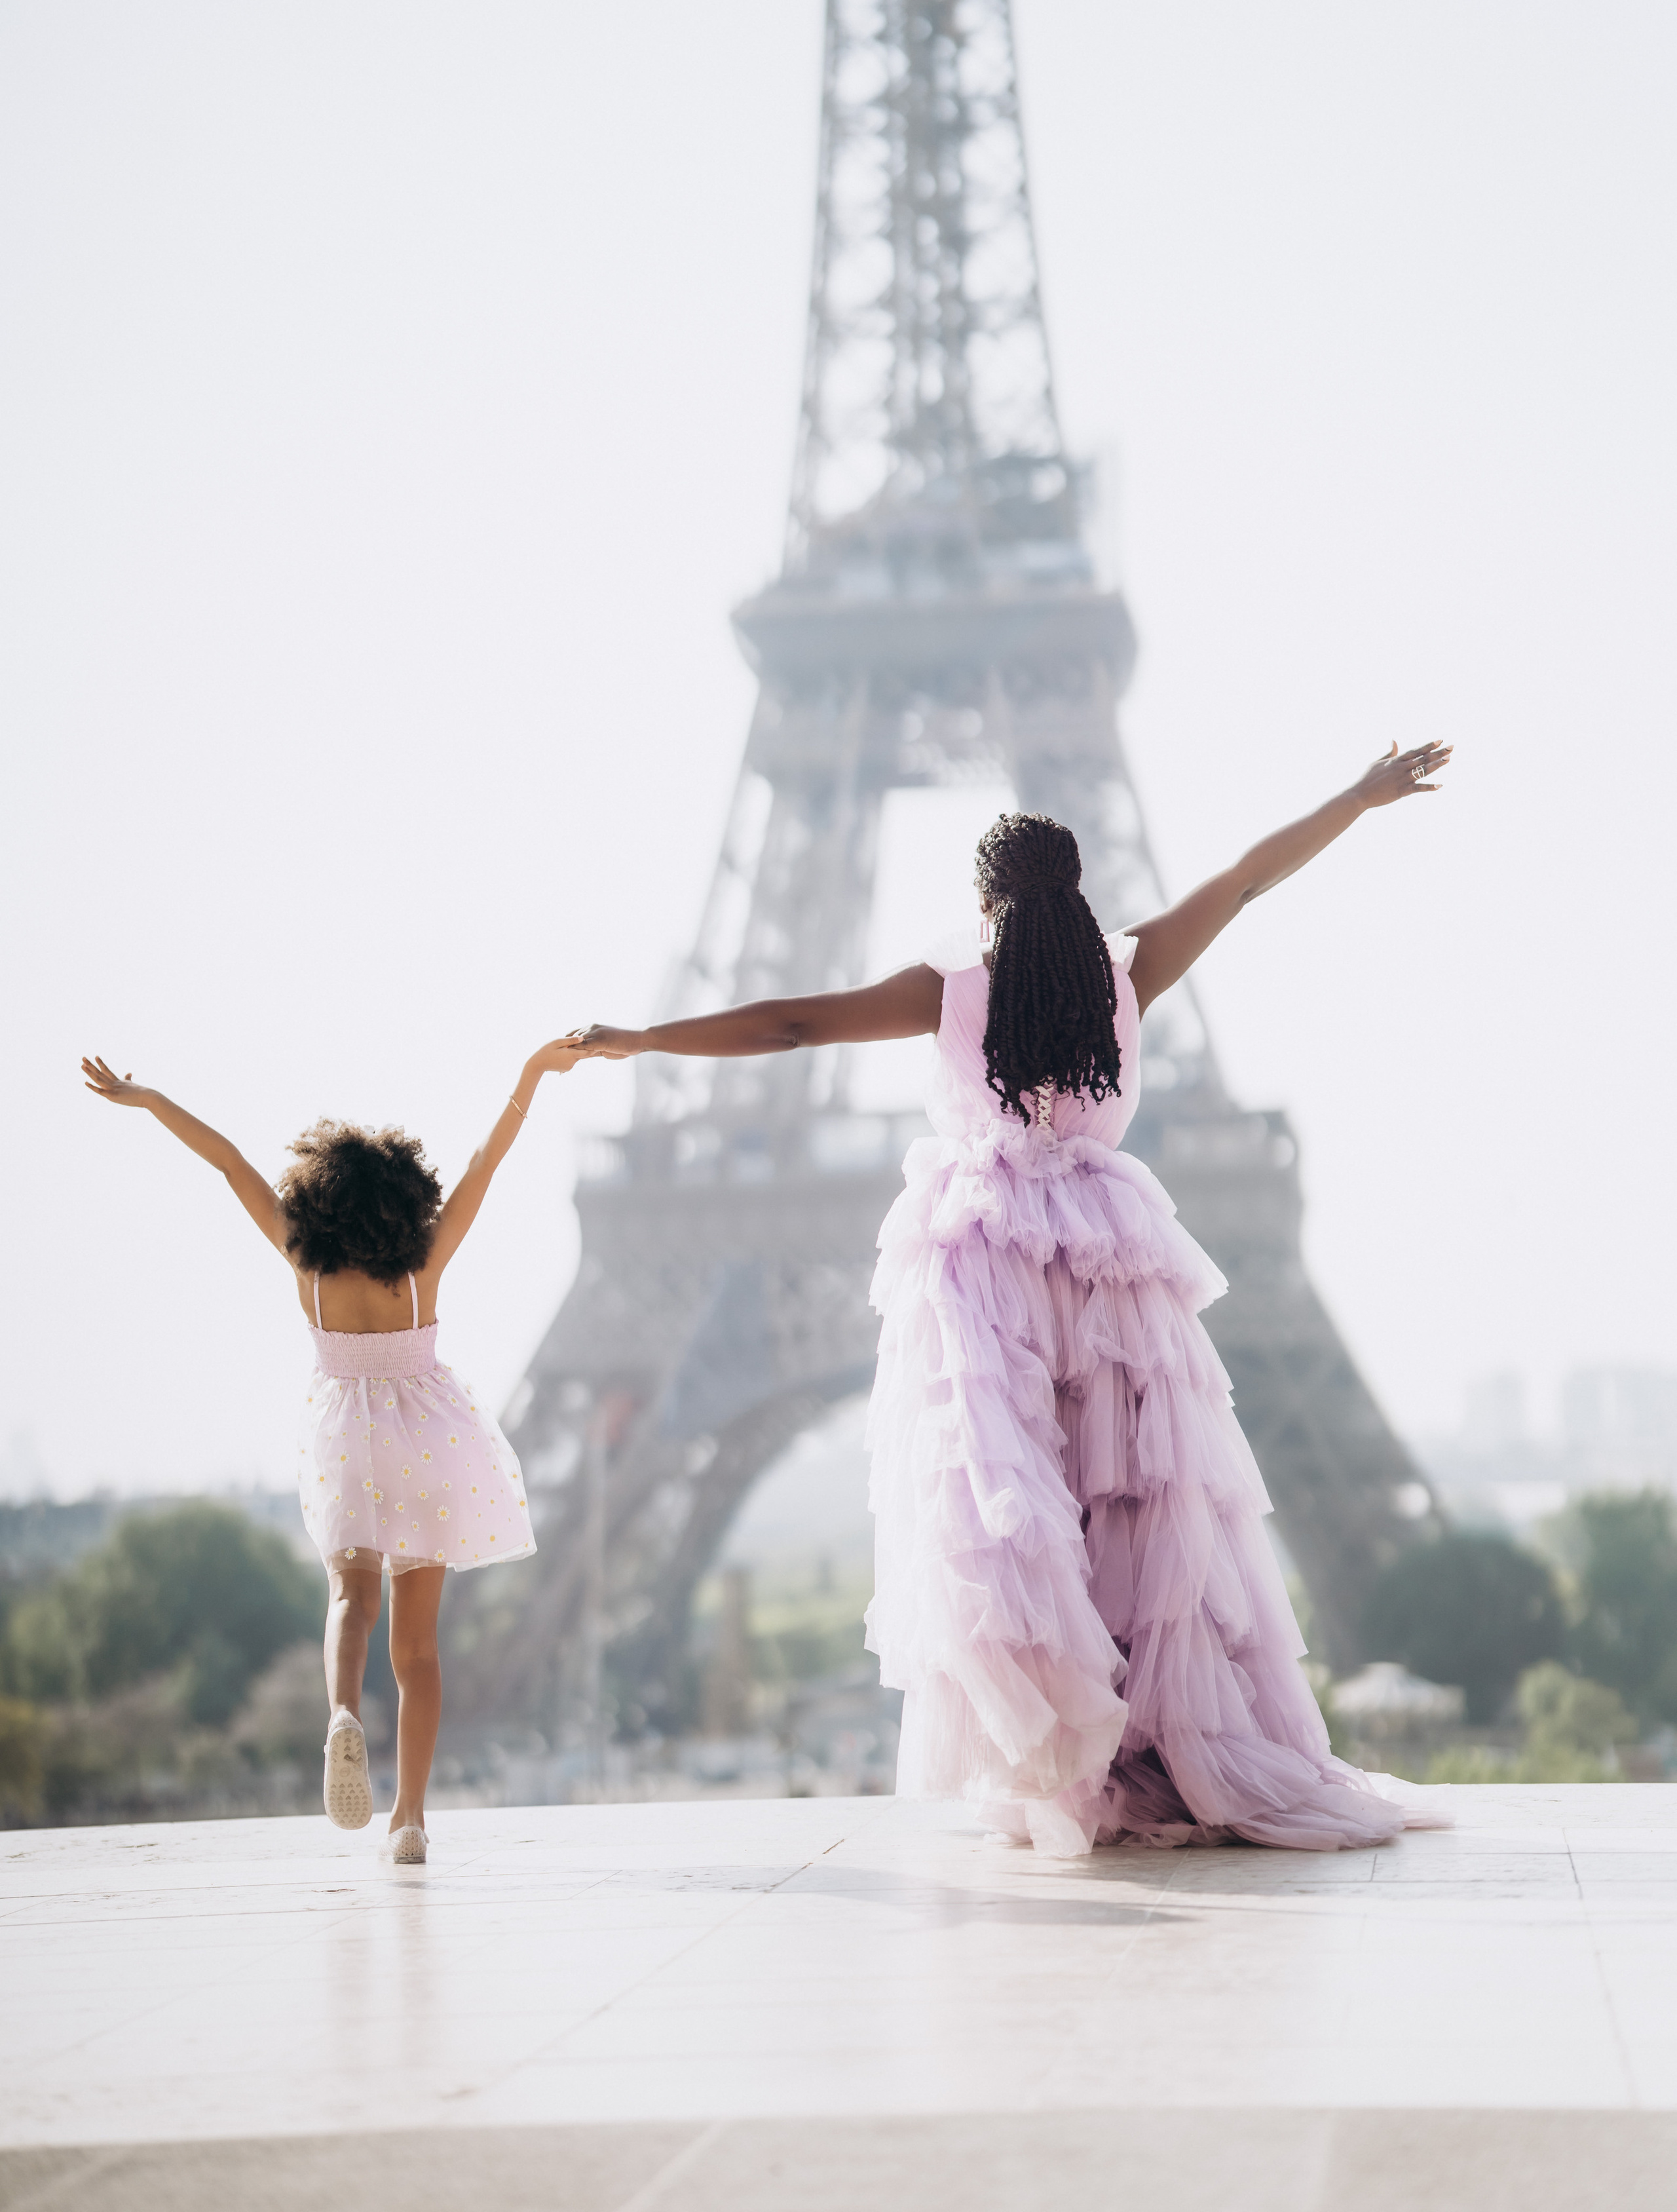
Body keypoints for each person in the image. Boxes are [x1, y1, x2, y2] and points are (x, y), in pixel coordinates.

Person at [563, 742, 1454, 1855]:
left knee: (1013, 1507)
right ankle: (1169, 1748)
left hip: (986, 1256)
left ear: (985, 903)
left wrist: (646, 1040)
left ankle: (1064, 1742)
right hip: (1109, 1261)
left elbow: (793, 1024)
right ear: (1077, 890)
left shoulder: (954, 990)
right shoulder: (1126, 976)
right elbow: (1244, 879)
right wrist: (1358, 799)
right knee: (1134, 1508)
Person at [79, 1041, 580, 1862]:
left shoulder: (304, 1263)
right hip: (430, 1446)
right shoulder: (423, 1264)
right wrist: (530, 1075)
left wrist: (149, 1099)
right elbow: (489, 1160)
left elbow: (230, 1163)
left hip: (346, 1444)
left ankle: (343, 1711)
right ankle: (410, 1819)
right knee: (418, 1650)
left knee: (350, 1597)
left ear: (317, 1201)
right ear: (402, 1201)